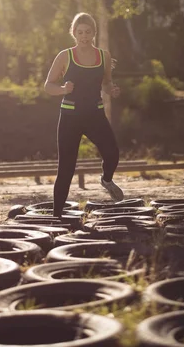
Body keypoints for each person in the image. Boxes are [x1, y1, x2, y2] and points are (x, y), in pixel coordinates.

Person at [44, 12, 124, 217]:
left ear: (94, 33)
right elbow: (48, 85)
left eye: (88, 32)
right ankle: (57, 216)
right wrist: (63, 89)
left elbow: (106, 82)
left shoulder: (103, 56)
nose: (84, 36)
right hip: (70, 116)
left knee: (113, 153)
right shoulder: (65, 55)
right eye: (80, 32)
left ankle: (106, 180)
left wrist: (111, 90)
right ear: (74, 33)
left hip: (95, 115)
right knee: (66, 169)